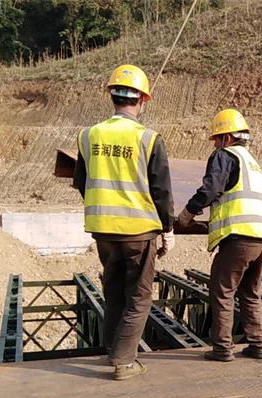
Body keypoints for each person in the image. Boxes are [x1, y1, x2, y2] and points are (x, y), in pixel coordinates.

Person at [73, 64, 175, 380]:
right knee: (140, 296)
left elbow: (82, 182)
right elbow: (161, 191)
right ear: (142, 100)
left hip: (103, 232)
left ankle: (112, 351)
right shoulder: (148, 138)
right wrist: (168, 229)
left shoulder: (88, 135)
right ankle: (124, 361)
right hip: (139, 231)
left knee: (114, 293)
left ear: (112, 96)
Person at [177, 109, 262, 362]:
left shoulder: (225, 155)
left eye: (216, 139)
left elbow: (211, 188)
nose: (214, 144)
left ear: (227, 138)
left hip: (240, 238)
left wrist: (188, 213)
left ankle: (222, 348)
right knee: (251, 292)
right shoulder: (252, 163)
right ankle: (258, 344)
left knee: (222, 290)